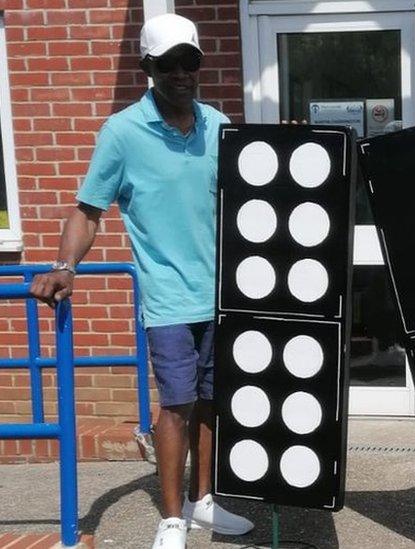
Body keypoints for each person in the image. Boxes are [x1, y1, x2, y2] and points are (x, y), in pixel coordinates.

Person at [29, 13, 253, 549]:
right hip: (170, 297)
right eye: (168, 63)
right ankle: (172, 517)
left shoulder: (218, 124)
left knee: (212, 402)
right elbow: (88, 210)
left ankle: (203, 502)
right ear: (147, 67)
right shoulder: (123, 132)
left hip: (223, 296)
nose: (181, 73)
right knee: (175, 405)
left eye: (190, 61)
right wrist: (65, 266)